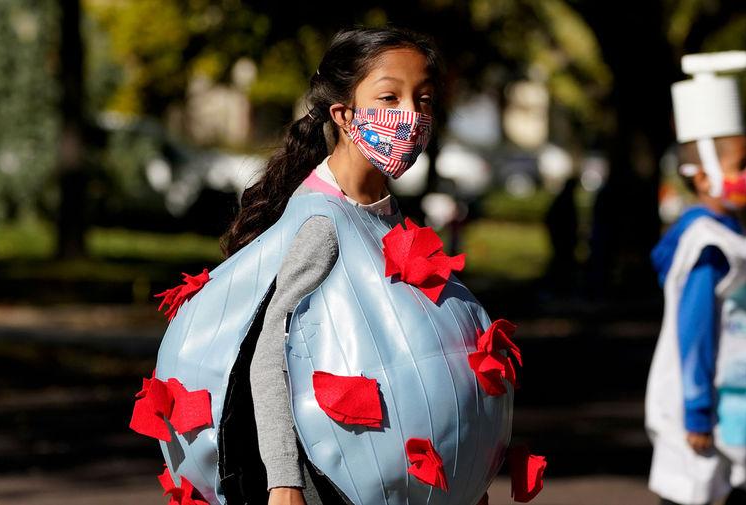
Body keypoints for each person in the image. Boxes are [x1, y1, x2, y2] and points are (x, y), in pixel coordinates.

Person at [134, 27, 524, 505]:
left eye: (423, 100)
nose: (412, 116)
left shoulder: (381, 213)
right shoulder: (322, 222)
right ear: (343, 114)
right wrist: (284, 483)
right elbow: (268, 357)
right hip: (328, 481)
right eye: (390, 97)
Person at [645, 51, 746, 505]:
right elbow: (696, 330)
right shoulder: (707, 245)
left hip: (736, 398)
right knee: (696, 492)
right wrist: (698, 410)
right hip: (701, 407)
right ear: (703, 176)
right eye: (739, 165)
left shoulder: (730, 234)